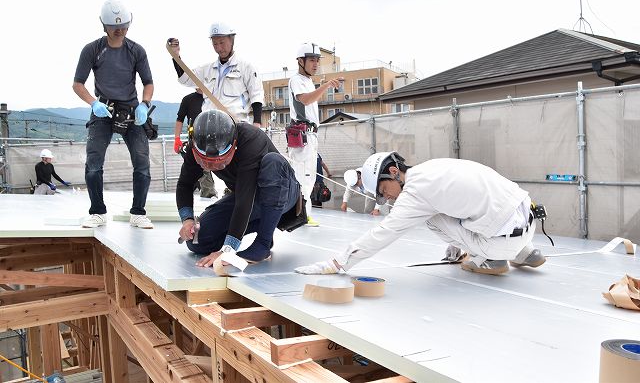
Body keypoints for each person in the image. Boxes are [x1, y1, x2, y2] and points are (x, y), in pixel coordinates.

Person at [296, 152, 547, 276]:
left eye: (384, 190)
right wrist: (455, 245)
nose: (389, 197)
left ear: (394, 171)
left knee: (433, 217)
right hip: (528, 219)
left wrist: (337, 263)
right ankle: (524, 252)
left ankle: (492, 260)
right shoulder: (434, 167)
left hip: (500, 243)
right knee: (458, 208)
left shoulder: (416, 192)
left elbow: (385, 232)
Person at [176, 110, 301, 268]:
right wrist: (187, 221)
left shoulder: (251, 139)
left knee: (273, 162)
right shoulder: (196, 145)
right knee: (198, 241)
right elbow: (184, 185)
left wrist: (227, 250)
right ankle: (263, 225)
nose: (209, 167)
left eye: (217, 163)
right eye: (204, 162)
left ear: (233, 146)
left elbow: (244, 200)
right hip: (247, 197)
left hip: (283, 194)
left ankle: (263, 243)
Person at [72, 0, 154, 229]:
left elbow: (148, 82)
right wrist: (92, 103)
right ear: (104, 25)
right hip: (103, 110)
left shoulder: (136, 50)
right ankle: (97, 212)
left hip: (131, 110)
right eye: (115, 26)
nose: (120, 30)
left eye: (124, 26)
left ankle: (138, 212)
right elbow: (78, 84)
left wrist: (144, 105)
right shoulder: (92, 50)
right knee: (94, 163)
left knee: (141, 161)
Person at [287, 43, 342, 226]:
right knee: (302, 177)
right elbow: (305, 99)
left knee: (308, 177)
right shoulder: (297, 80)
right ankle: (299, 215)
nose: (316, 64)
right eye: (312, 60)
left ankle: (304, 215)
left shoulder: (308, 81)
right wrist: (325, 86)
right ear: (300, 61)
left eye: (317, 60)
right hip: (302, 134)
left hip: (310, 135)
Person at [167, 22, 264, 126]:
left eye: (222, 42)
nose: (219, 48)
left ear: (232, 40)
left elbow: (256, 95)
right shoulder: (206, 69)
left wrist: (256, 123)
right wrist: (176, 56)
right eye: (215, 44)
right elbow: (185, 79)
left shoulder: (246, 67)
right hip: (208, 126)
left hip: (236, 125)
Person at [174, 89, 217, 198]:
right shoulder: (188, 99)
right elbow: (180, 119)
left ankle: (208, 194)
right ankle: (208, 195)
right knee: (199, 169)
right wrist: (177, 139)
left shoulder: (213, 98)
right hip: (195, 141)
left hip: (215, 140)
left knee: (205, 169)